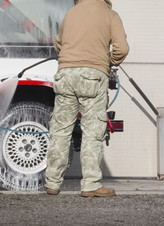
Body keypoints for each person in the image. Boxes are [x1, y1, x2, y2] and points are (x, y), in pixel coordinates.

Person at [44, 0, 129, 197]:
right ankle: (91, 184)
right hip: (93, 76)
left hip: (65, 74)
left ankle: (52, 182)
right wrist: (106, 63)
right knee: (93, 129)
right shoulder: (110, 15)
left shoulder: (71, 13)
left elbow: (59, 44)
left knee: (61, 129)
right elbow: (122, 48)